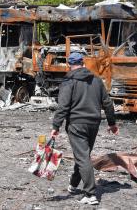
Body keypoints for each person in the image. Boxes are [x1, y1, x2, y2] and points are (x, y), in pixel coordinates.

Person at [50, 52, 119, 205]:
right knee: (83, 155)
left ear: (70, 64)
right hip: (94, 123)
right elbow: (107, 103)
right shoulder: (96, 80)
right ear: (83, 63)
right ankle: (74, 185)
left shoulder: (69, 80)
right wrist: (112, 123)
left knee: (82, 157)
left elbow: (63, 106)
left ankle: (90, 194)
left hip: (76, 124)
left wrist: (56, 126)